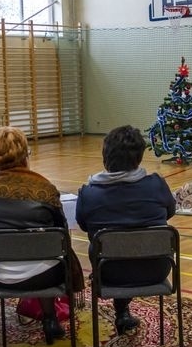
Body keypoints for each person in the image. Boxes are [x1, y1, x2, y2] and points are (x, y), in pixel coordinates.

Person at [0, 126, 70, 344]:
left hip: (0, 272)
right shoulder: (45, 189)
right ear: (25, 155)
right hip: (46, 275)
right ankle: (50, 319)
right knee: (49, 254)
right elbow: (61, 231)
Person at [75, 125, 176, 335]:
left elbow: (84, 225)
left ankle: (121, 311)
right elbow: (169, 212)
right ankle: (122, 312)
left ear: (105, 156)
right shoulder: (157, 184)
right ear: (139, 157)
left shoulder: (88, 194)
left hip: (109, 272)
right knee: (127, 244)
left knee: (112, 246)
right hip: (156, 268)